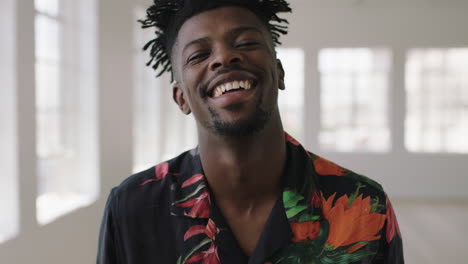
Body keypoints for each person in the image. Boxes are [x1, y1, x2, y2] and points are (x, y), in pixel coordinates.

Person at [97, 0, 404, 263]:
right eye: (198, 55)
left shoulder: (364, 205)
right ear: (182, 98)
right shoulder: (132, 208)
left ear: (279, 73)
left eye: (245, 43)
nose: (223, 58)